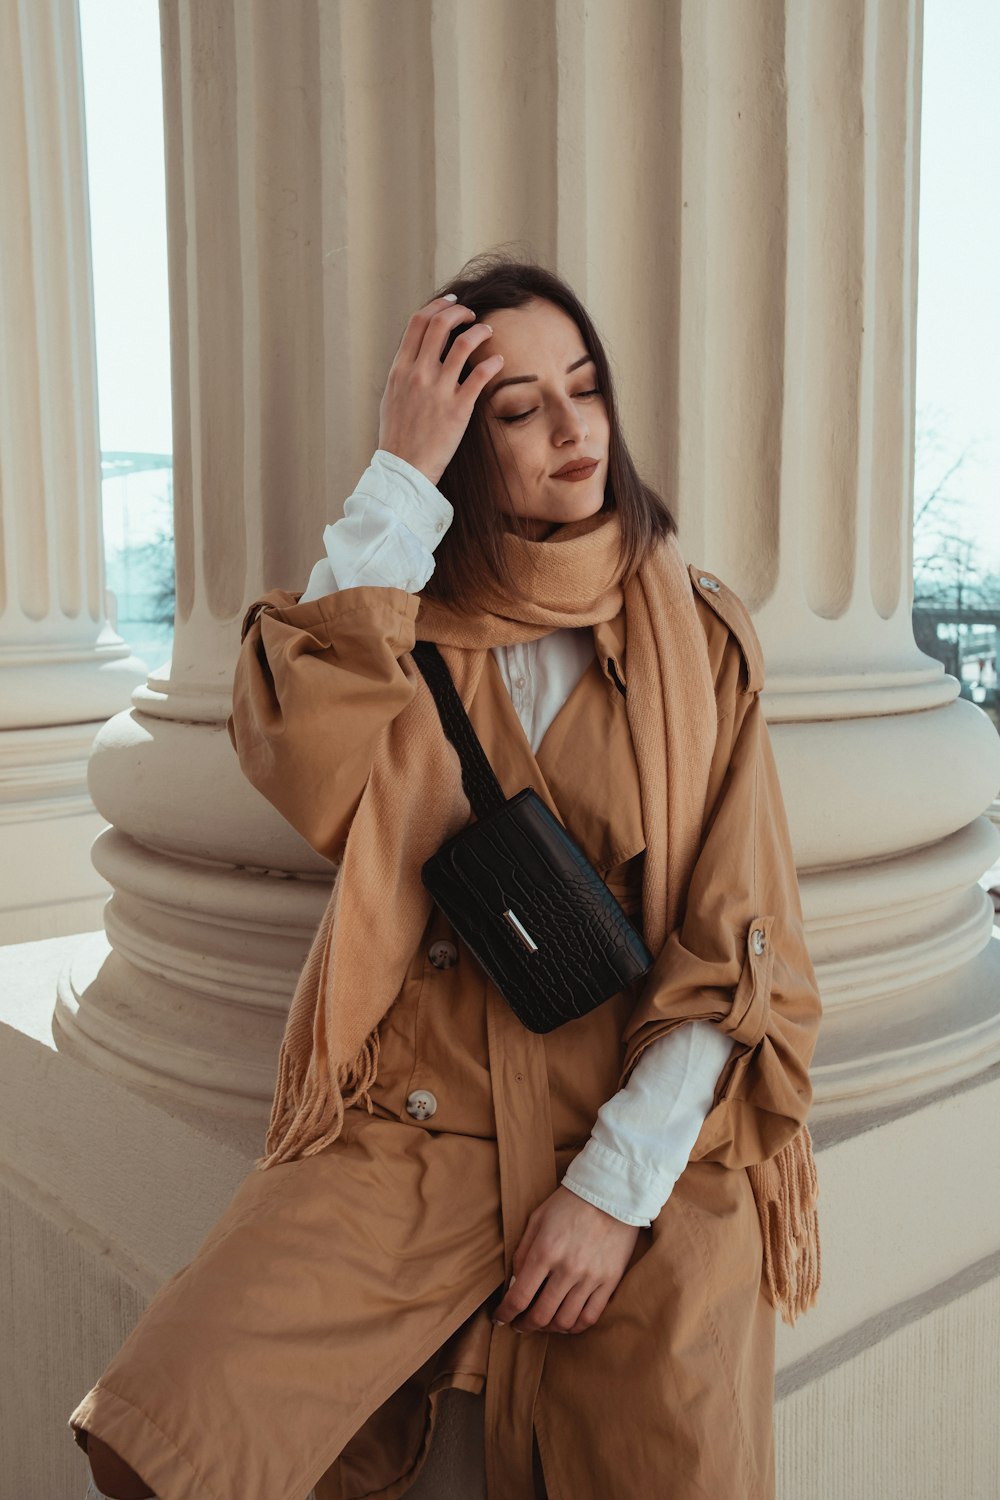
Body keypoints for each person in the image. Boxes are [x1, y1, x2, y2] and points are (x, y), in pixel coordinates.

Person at [70, 252, 822, 1500]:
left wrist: (613, 1190)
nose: (573, 429)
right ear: (468, 439)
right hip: (421, 1125)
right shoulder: (394, 619)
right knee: (168, 1433)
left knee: (660, 1452)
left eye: (585, 388)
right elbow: (299, 753)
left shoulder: (701, 638)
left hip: (643, 1125)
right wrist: (399, 476)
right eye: (519, 408)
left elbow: (741, 942)